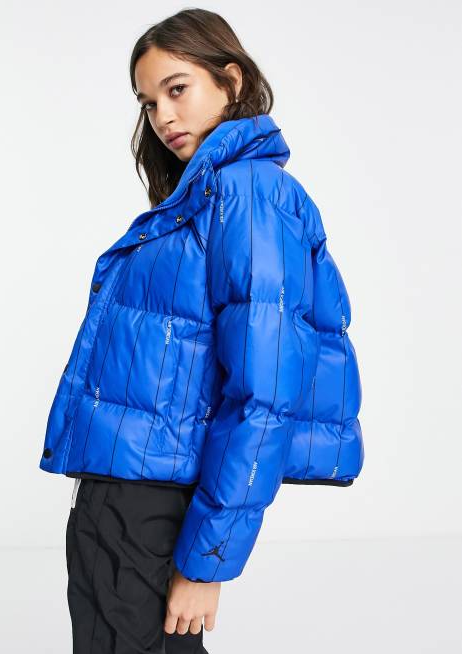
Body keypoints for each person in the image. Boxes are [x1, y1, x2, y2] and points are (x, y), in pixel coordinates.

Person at [39, 8, 364, 654]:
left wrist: (206, 563)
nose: (162, 115)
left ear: (231, 81)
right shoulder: (206, 197)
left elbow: (264, 393)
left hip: (148, 506)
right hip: (130, 501)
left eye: (176, 89)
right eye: (148, 101)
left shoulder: (250, 192)